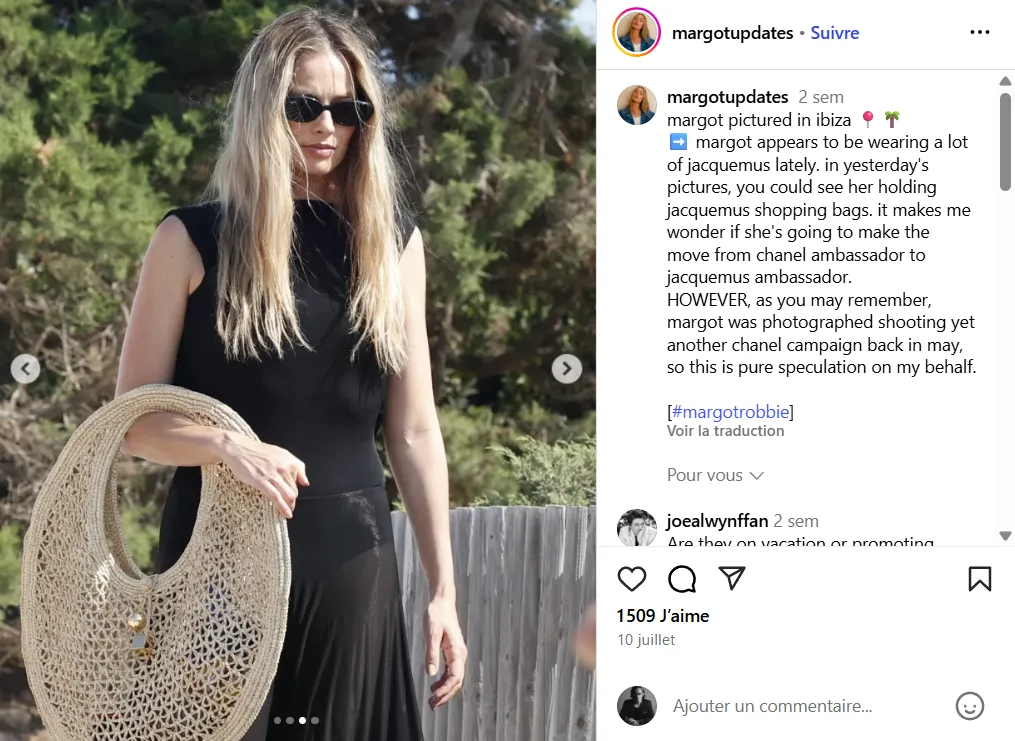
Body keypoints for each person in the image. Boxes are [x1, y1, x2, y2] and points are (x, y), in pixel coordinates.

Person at [113, 7, 466, 740]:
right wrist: (226, 445)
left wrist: (443, 592)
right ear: (263, 108)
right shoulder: (191, 239)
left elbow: (413, 431)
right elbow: (133, 423)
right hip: (214, 565)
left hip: (351, 561)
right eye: (304, 106)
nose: (327, 126)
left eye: (349, 109)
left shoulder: (392, 247)